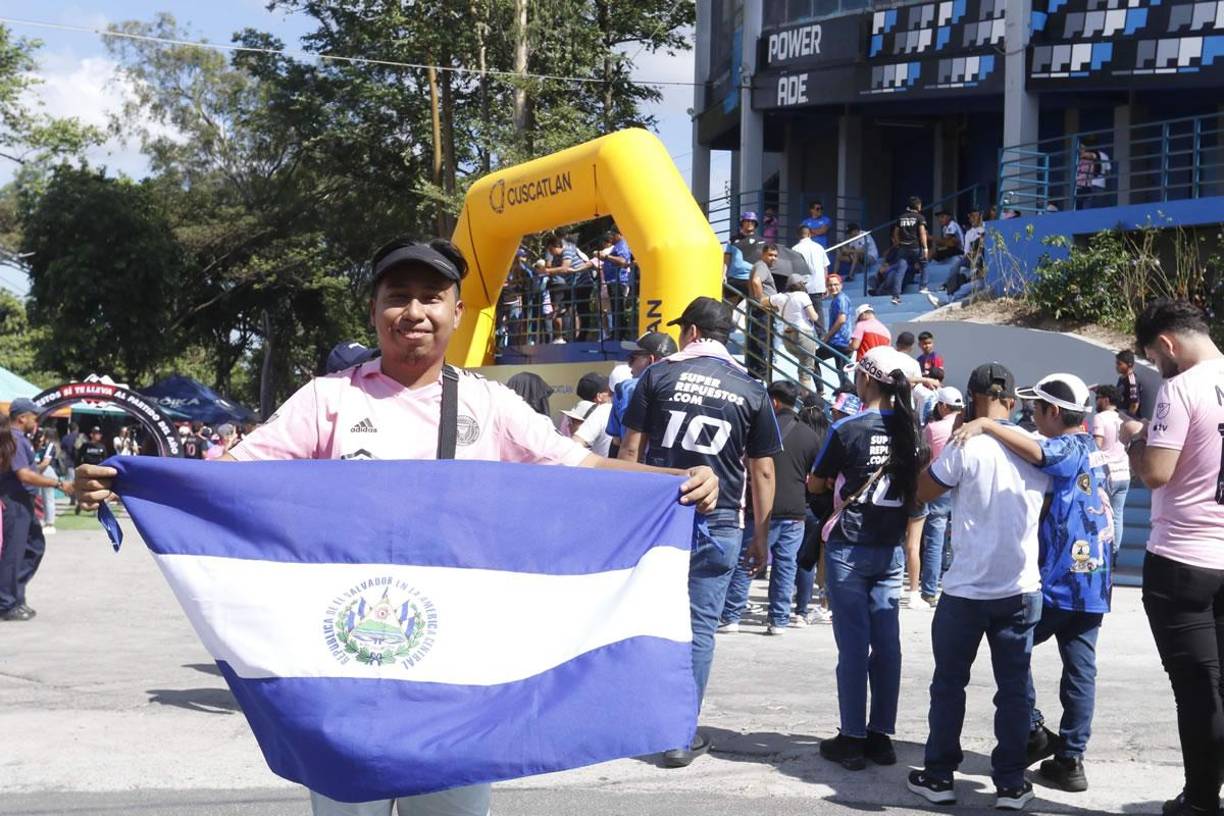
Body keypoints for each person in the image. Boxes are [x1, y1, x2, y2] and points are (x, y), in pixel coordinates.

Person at [77, 236, 718, 816]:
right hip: (345, 659)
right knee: (345, 803)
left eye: (431, 298)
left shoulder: (489, 404)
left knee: (452, 809)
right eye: (397, 297)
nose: (414, 312)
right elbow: (231, 479)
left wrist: (678, 482)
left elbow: (583, 466)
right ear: (375, 311)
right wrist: (128, 478)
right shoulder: (329, 399)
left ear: (456, 313)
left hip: (460, 665)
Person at [620, 296, 780, 768]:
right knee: (700, 629)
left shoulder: (657, 374)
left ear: (690, 331)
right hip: (722, 517)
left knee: (644, 619)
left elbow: (630, 451)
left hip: (659, 515)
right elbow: (764, 471)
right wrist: (761, 535)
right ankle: (678, 736)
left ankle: (634, 720)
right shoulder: (751, 388)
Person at [955, 373, 1113, 794]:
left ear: (1055, 412)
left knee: (1011, 649)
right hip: (1094, 582)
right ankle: (1070, 758)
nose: (1031, 418)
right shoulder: (1097, 452)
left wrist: (988, 424)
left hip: (1059, 581)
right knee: (1081, 671)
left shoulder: (1067, 446)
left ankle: (1030, 730)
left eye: (1036, 411)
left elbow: (1042, 453)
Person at [907, 363, 1050, 810]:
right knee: (1014, 689)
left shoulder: (965, 442)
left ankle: (939, 776)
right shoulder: (1040, 447)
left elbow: (924, 493)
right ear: (1012, 400)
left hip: (965, 590)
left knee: (949, 685)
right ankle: (1009, 783)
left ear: (971, 398)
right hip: (1021, 587)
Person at [1121, 299, 1224, 816]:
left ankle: (1202, 800)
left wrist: (1135, 441)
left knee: (1197, 690)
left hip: (1182, 559)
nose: (1156, 367)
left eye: (1152, 358)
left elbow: (1157, 472)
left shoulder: (1180, 389)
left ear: (1166, 343)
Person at [809, 346, 922, 772]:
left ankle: (852, 737)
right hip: (890, 546)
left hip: (850, 548)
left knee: (853, 647)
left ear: (867, 380)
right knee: (887, 645)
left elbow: (818, 483)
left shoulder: (848, 428)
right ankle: (881, 736)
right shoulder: (912, 429)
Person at [719, 380, 821, 636]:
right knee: (786, 565)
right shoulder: (809, 435)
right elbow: (815, 474)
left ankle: (731, 616)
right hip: (796, 509)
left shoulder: (759, 431)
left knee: (749, 561)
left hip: (762, 508)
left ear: (774, 402)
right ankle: (778, 619)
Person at [0, 399, 74, 622]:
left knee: (34, 547)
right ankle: (6, 603)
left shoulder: (21, 439)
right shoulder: (14, 438)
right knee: (13, 553)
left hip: (23, 501)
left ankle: (14, 596)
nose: (37, 420)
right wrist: (59, 484)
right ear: (22, 417)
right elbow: (23, 474)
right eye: (34, 416)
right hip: (15, 501)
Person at [918, 387, 963, 605]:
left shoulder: (932, 428)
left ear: (943, 406)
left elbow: (924, 459)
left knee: (934, 539)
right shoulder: (968, 428)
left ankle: (929, 590)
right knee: (959, 538)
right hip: (961, 487)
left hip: (938, 485)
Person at [606, 332, 678, 457]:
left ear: (651, 360)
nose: (628, 364)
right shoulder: (688, 390)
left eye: (632, 358)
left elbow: (617, 442)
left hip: (635, 468)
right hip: (674, 469)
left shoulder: (626, 389)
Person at [1091, 385, 1129, 564]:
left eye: (1098, 397)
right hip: (1124, 472)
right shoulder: (1123, 418)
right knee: (1118, 515)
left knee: (1102, 514)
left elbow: (1097, 444)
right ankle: (1115, 553)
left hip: (1106, 473)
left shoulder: (1099, 417)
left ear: (1106, 399)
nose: (1096, 400)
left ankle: (1103, 553)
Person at [768, 274, 822, 391]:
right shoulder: (803, 296)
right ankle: (806, 399)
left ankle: (804, 391)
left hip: (787, 335)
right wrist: (816, 315)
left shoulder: (780, 297)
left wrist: (774, 309)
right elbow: (813, 316)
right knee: (806, 368)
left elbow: (763, 302)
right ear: (802, 285)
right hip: (803, 333)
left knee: (804, 364)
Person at [545, 234, 596, 342]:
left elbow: (564, 268)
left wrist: (548, 271)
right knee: (564, 307)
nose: (550, 252)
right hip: (572, 285)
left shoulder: (567, 251)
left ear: (557, 246)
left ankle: (583, 335)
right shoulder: (557, 257)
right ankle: (567, 335)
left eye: (551, 249)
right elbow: (557, 269)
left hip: (583, 283)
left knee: (582, 309)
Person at [746, 244, 781, 381]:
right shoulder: (761, 266)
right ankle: (761, 372)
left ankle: (757, 372)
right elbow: (756, 281)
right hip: (762, 311)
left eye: (775, 256)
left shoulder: (761, 266)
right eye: (770, 255)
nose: (773, 258)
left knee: (758, 342)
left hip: (760, 311)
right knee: (762, 342)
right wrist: (761, 301)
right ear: (763, 254)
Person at [888, 196, 931, 305]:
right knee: (924, 265)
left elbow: (896, 232)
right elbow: (922, 233)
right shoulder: (920, 217)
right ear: (918, 206)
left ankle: (896, 296)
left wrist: (897, 243)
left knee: (900, 272)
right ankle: (923, 287)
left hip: (903, 248)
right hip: (916, 247)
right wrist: (925, 248)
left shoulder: (901, 217)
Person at [594, 227, 633, 339]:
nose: (611, 237)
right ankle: (617, 333)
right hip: (613, 281)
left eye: (613, 234)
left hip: (618, 281)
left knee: (618, 308)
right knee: (616, 309)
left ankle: (620, 334)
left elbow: (623, 261)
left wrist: (606, 257)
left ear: (619, 234)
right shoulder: (617, 246)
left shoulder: (622, 245)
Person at [570, 372, 614, 456]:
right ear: (599, 396)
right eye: (609, 392)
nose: (611, 395)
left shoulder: (575, 410)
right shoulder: (603, 411)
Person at [723, 212, 762, 304]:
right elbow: (726, 260)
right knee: (729, 307)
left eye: (752, 221)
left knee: (749, 308)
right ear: (742, 223)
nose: (749, 223)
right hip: (733, 279)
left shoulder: (761, 241)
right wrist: (723, 274)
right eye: (747, 221)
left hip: (750, 279)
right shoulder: (732, 240)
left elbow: (762, 261)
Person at [791, 225, 829, 298]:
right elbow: (825, 268)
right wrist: (825, 285)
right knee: (817, 309)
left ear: (797, 235)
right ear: (809, 234)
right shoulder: (819, 247)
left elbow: (793, 271)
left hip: (802, 288)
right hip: (818, 287)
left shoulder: (795, 249)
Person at [35, 428, 60, 534]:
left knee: (48, 499)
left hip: (48, 471)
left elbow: (45, 462)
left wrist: (33, 471)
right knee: (42, 499)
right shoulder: (42, 446)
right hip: (41, 471)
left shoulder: (50, 446)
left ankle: (50, 523)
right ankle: (45, 521)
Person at [1115, 349, 1143, 417]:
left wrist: (1127, 419)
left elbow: (1134, 404)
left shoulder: (1132, 381)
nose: (1116, 366)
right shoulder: (1122, 378)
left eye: (1119, 364)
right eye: (1116, 363)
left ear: (1129, 364)